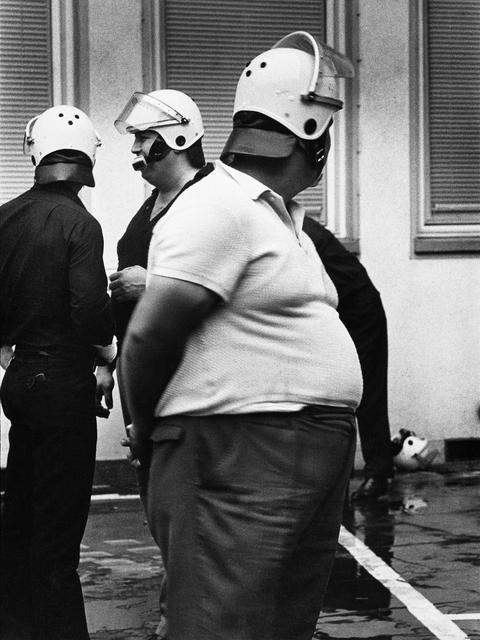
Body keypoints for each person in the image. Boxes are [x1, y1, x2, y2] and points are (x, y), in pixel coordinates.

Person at [120, 31, 362, 640]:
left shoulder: (276, 214)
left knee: (280, 626)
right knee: (217, 627)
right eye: (325, 126)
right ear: (308, 128)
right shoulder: (218, 206)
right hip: (239, 450)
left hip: (287, 452)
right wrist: (145, 434)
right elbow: (148, 338)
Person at [98, 88, 213, 640]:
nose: (137, 152)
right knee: (161, 505)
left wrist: (152, 283)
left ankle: (191, 619)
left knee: (192, 516)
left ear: (178, 138)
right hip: (145, 376)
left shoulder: (210, 198)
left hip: (189, 380)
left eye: (145, 140)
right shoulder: (153, 204)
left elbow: (219, 289)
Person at [0, 105, 115, 640]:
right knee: (57, 539)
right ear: (87, 159)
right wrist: (107, 356)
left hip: (20, 381)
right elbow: (89, 312)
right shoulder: (81, 223)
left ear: (36, 155)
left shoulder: (5, 218)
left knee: (18, 522)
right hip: (64, 384)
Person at [302, 217, 394, 499]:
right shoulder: (281, 221)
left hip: (359, 310)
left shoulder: (291, 228)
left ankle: (378, 473)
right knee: (327, 394)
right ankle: (338, 479)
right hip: (335, 311)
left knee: (366, 393)